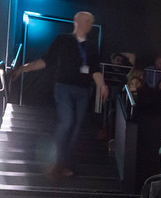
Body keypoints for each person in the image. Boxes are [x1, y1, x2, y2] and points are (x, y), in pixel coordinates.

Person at [10, 11, 109, 180]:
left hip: (83, 91)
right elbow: (45, 60)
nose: (90, 24)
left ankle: (65, 163)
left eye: (91, 22)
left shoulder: (92, 46)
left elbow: (94, 69)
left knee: (76, 128)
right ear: (76, 20)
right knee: (67, 121)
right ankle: (56, 162)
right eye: (87, 20)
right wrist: (23, 68)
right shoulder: (62, 40)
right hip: (63, 87)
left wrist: (102, 85)